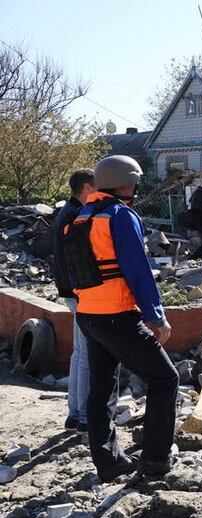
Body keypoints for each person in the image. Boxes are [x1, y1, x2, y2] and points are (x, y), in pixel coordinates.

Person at [64, 155, 177, 482]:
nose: (136, 186)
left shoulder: (81, 216)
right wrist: (156, 317)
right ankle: (155, 461)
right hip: (117, 316)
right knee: (164, 379)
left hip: (88, 315)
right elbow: (137, 270)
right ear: (124, 184)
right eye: (134, 181)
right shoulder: (120, 215)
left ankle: (109, 462)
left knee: (101, 388)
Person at [52, 169, 96, 434]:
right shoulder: (75, 215)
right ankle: (82, 417)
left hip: (70, 292)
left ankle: (74, 415)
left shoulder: (66, 212)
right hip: (79, 293)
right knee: (86, 356)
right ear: (87, 187)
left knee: (79, 354)